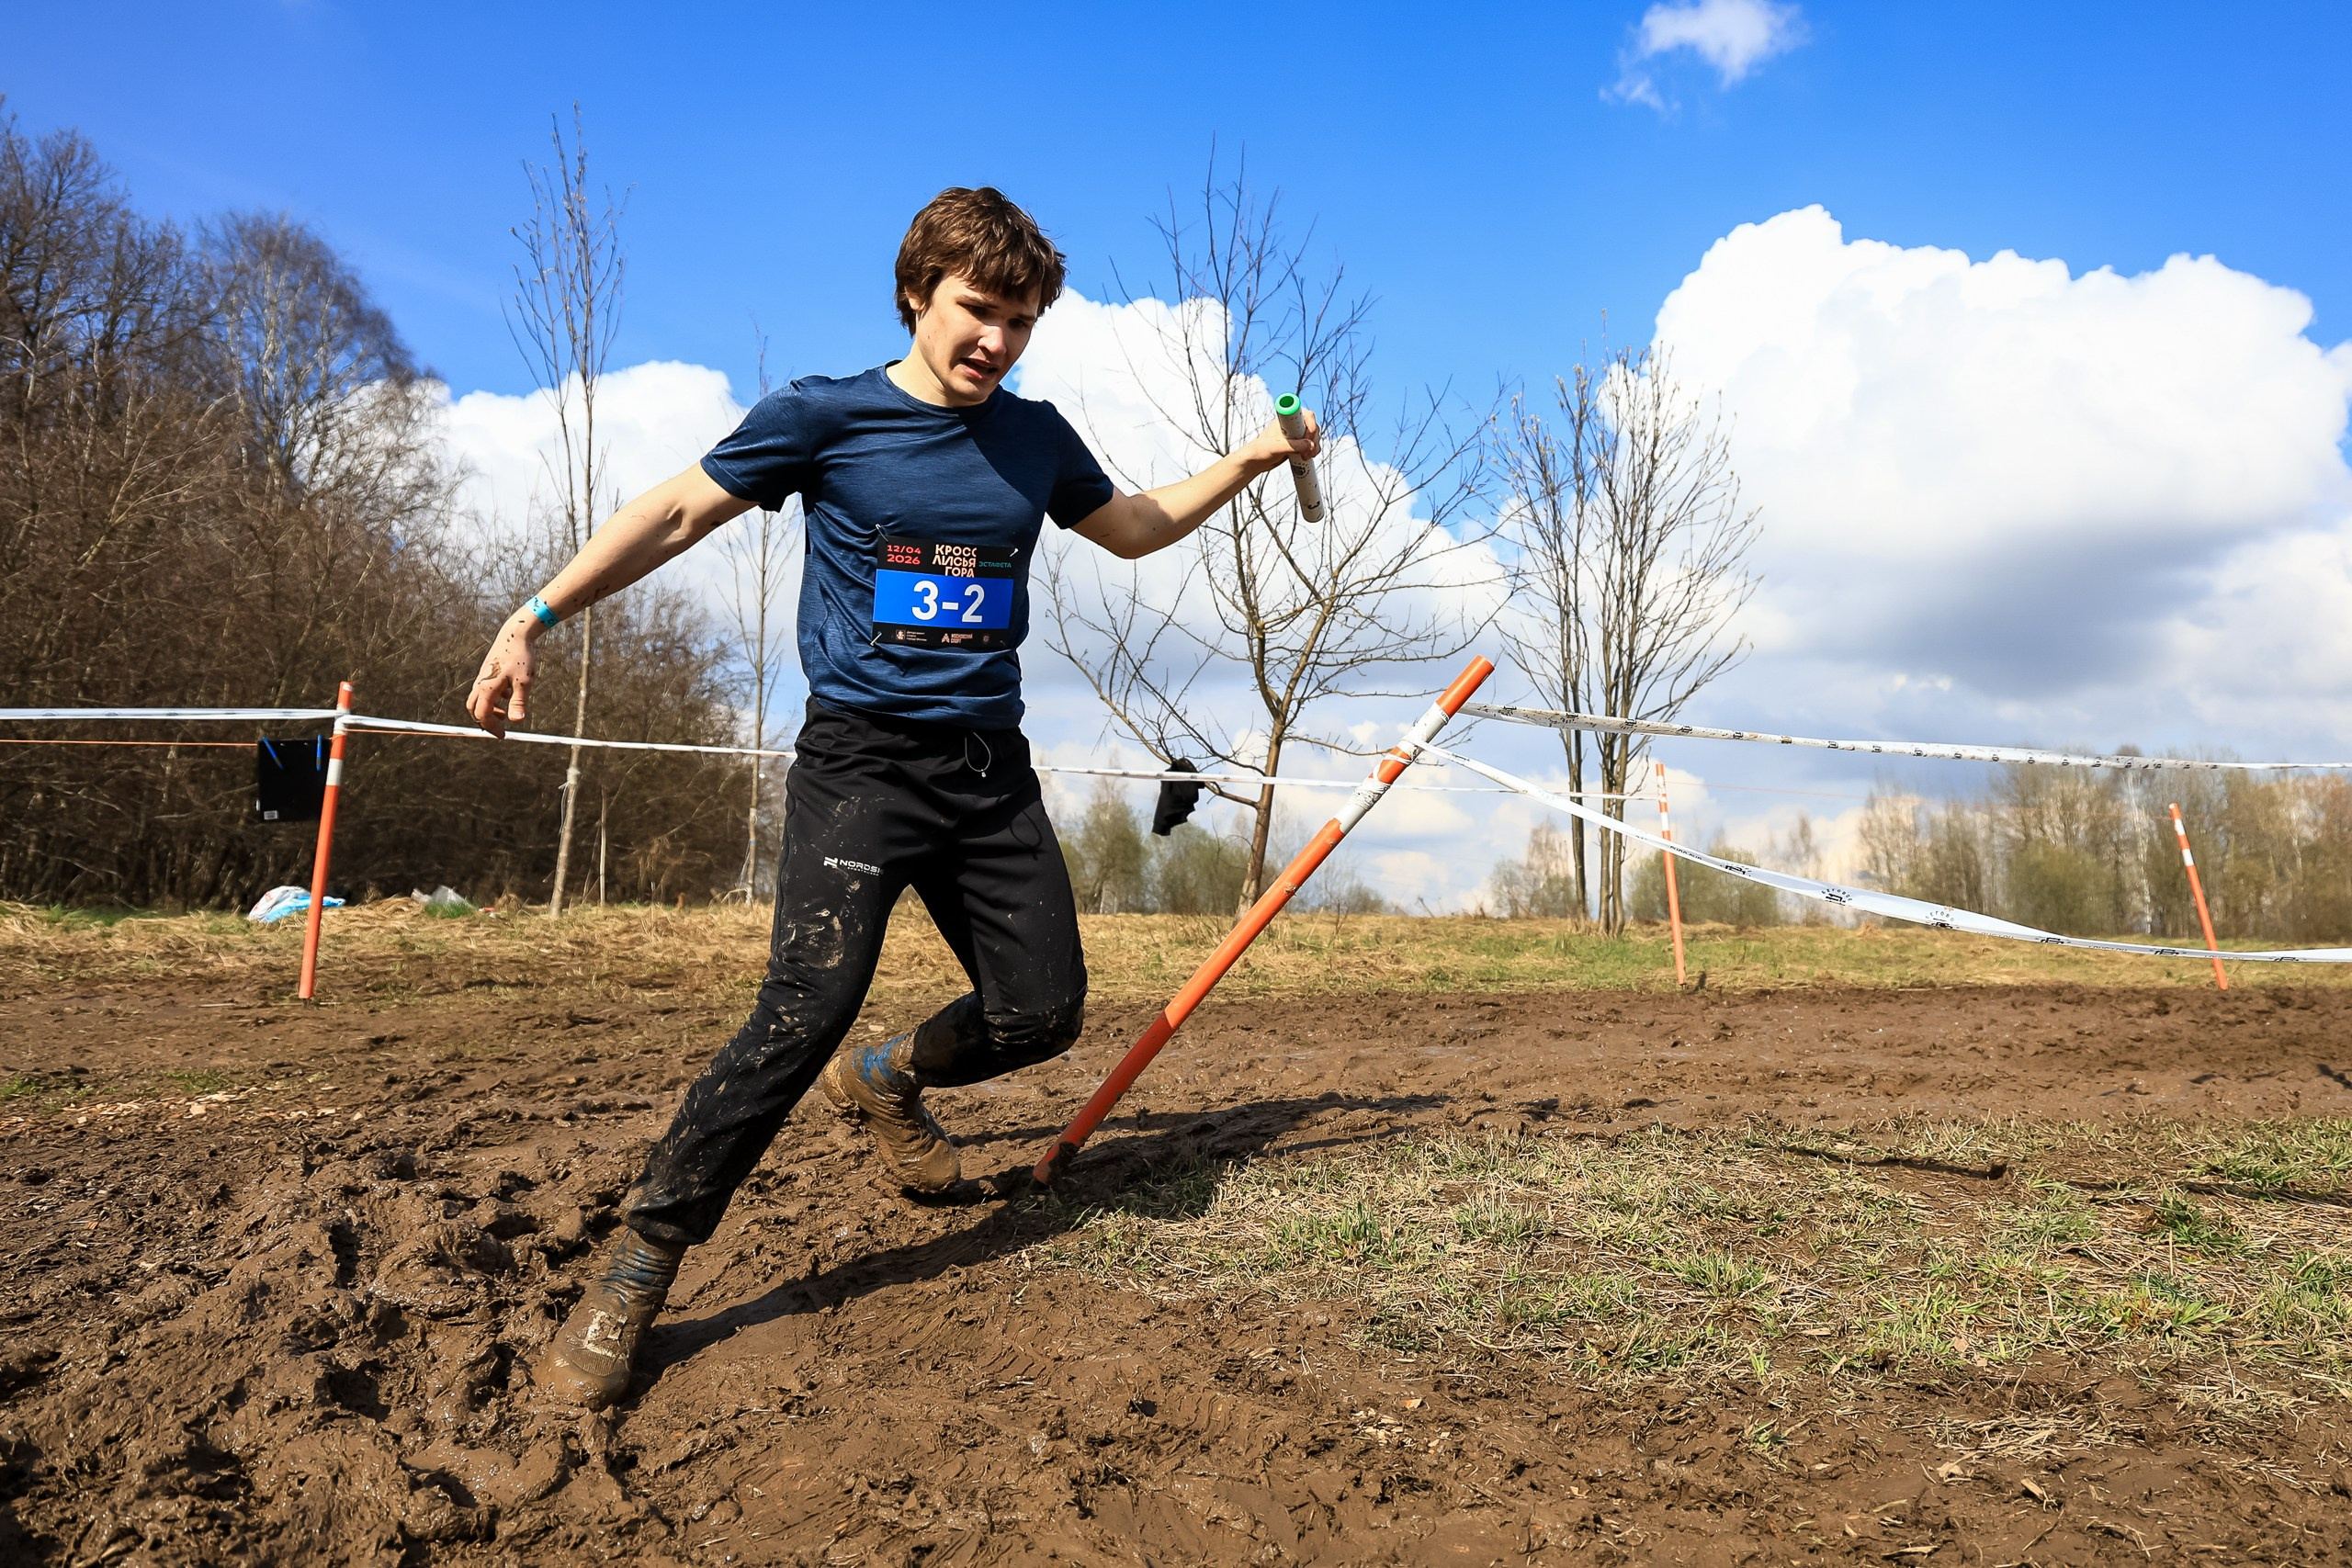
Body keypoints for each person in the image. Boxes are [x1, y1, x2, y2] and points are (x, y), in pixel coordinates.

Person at [464, 186, 1321, 1409]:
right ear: (918, 291)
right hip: (861, 766)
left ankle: (890, 1078)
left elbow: (1131, 528)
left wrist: (1246, 458)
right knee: (802, 1006)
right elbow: (672, 513)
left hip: (986, 772)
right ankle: (642, 1262)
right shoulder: (827, 416)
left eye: (1022, 323)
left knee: (1044, 1011)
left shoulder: (1035, 437)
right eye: (980, 311)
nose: (997, 342)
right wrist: (532, 617)